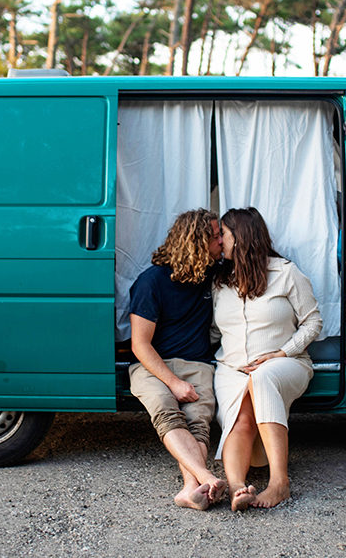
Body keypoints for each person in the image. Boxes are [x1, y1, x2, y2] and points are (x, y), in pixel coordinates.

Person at [212, 207, 322, 510]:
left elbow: (313, 322)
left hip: (285, 364)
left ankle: (279, 483)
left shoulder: (286, 272)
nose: (218, 240)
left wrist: (282, 352)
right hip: (232, 368)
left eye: (223, 234)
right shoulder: (221, 281)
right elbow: (213, 330)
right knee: (239, 419)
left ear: (242, 236)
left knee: (262, 376)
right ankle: (237, 488)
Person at [128, 208, 227, 510]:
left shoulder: (212, 274)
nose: (222, 241)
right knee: (166, 410)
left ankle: (189, 488)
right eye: (216, 236)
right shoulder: (151, 282)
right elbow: (140, 345)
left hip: (197, 365)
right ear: (197, 242)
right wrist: (172, 383)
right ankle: (205, 477)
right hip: (153, 366)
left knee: (199, 422)